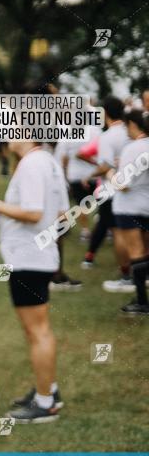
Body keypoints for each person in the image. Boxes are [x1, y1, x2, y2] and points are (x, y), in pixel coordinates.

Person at [0, 141, 68, 423]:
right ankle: (47, 389)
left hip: (29, 259)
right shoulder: (48, 161)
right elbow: (62, 212)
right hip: (36, 257)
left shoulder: (31, 164)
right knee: (37, 330)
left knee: (38, 331)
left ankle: (45, 402)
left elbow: (33, 213)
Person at [82, 97, 132, 290]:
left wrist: (90, 175)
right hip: (135, 189)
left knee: (118, 232)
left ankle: (126, 275)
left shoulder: (107, 137)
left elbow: (105, 165)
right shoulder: (131, 133)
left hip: (112, 191)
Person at [111, 109, 149, 315]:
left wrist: (111, 174)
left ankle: (142, 301)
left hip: (129, 207)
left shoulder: (132, 148)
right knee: (144, 252)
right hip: (146, 205)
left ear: (133, 125)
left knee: (136, 253)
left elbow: (122, 184)